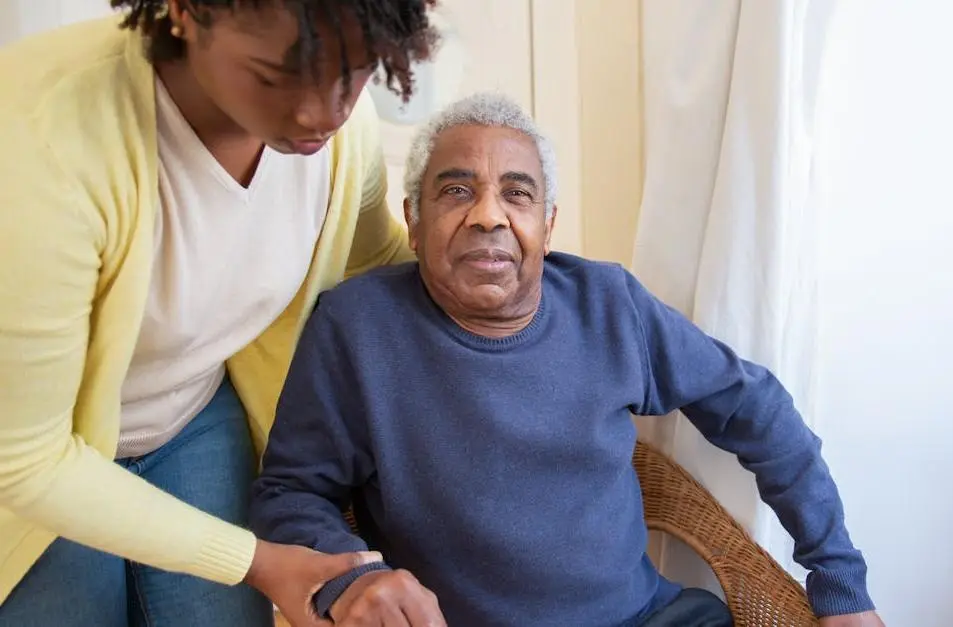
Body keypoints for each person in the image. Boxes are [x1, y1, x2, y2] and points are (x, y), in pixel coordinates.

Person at [249, 92, 887, 627]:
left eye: (517, 193)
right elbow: (290, 492)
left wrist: (840, 581)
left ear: (547, 225)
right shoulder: (356, 328)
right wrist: (353, 580)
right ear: (413, 222)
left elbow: (757, 410)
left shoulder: (610, 304)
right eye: (456, 190)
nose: (487, 216)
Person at [0, 1, 439, 626]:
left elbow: (376, 265)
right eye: (272, 75)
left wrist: (539, 295)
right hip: (31, 456)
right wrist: (257, 561)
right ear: (182, 11)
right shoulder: (40, 142)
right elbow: (23, 459)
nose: (323, 113)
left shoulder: (346, 137)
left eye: (356, 71)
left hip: (192, 413)